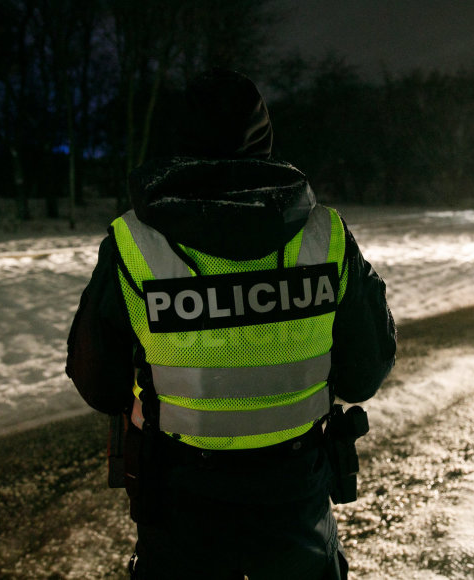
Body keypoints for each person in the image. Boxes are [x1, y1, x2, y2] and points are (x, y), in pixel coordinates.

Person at [66, 69, 396, 579]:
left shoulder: (135, 242)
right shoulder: (325, 236)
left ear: (177, 140)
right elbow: (363, 374)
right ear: (265, 137)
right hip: (296, 496)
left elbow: (95, 377)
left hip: (179, 501)